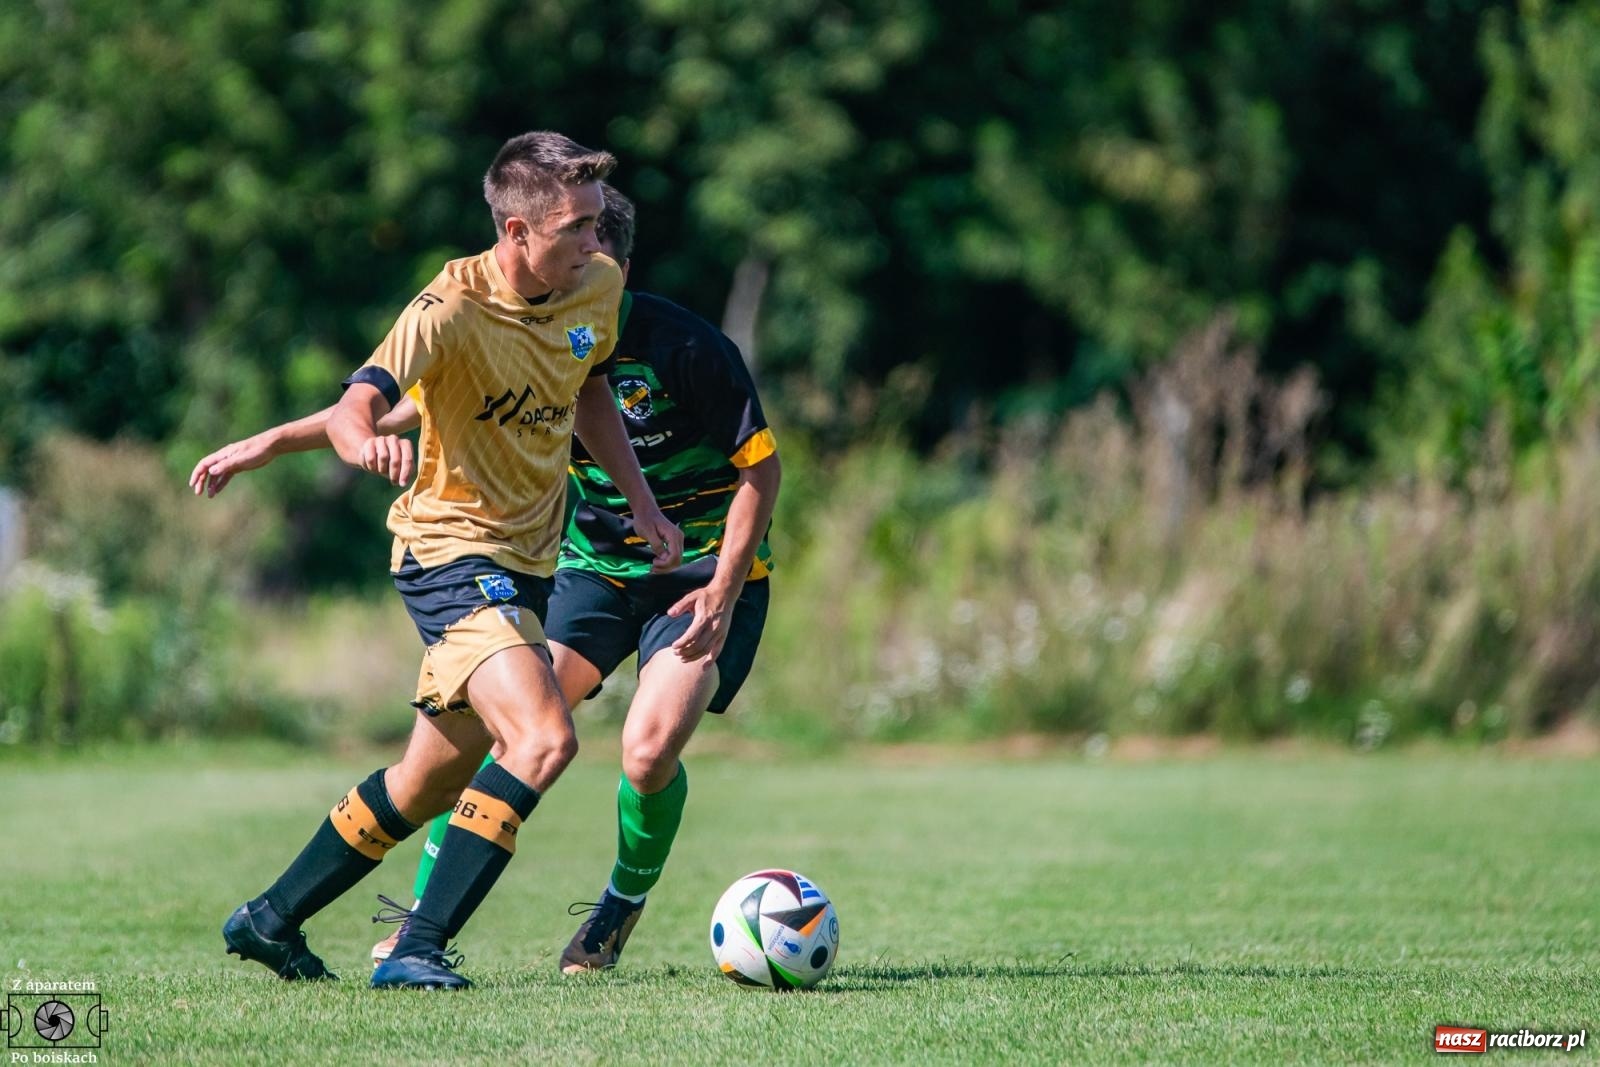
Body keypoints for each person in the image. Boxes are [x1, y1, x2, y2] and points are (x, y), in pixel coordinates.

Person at [191, 185, 782, 976]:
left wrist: (718, 582)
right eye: (570, 242)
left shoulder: (680, 344)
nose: (579, 265)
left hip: (698, 573)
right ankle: (379, 934)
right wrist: (276, 440)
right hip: (566, 569)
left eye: (591, 249)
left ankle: (606, 910)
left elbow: (756, 469)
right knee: (508, 743)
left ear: (618, 267)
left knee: (594, 757)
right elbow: (397, 408)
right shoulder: (495, 317)